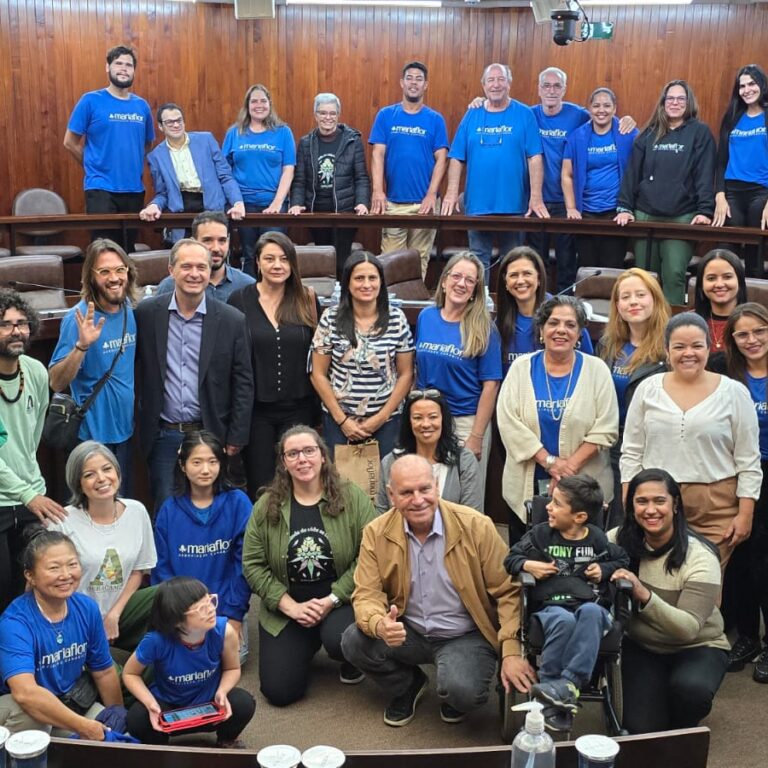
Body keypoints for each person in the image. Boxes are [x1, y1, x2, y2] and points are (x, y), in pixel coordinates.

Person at [341, 454, 535, 727]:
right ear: (391, 494)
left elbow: (508, 591)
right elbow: (366, 594)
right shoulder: (376, 532)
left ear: (436, 485)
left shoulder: (476, 526)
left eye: (424, 489)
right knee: (354, 641)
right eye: (406, 492)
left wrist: (512, 650)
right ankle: (408, 685)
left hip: (464, 634)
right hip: (408, 630)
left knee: (463, 693)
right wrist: (379, 624)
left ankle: (454, 688)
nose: (418, 499)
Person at [242, 426, 376, 706]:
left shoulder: (352, 497)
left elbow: (370, 556)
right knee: (279, 693)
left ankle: (344, 653)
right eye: (292, 453)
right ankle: (307, 643)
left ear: (323, 456)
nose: (302, 459)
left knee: (341, 639)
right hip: (287, 609)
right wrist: (289, 606)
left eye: (308, 451)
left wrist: (332, 598)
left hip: (340, 602)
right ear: (283, 463)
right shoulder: (266, 506)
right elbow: (253, 564)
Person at [620, 312, 762, 571]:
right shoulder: (647, 389)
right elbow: (631, 452)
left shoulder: (734, 392)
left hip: (716, 507)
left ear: (709, 348)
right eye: (679, 346)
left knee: (702, 590)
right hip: (657, 503)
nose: (689, 353)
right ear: (666, 350)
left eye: (697, 345)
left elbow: (748, 459)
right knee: (659, 583)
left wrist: (745, 513)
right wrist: (629, 500)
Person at [134, 238, 254, 510]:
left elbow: (244, 383)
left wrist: (236, 436)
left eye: (202, 267)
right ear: (170, 270)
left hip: (212, 433)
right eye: (186, 266)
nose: (195, 274)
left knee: (213, 509)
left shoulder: (232, 319)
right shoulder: (147, 314)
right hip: (164, 435)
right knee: (166, 510)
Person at [504, 475, 628, 732]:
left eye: (557, 504)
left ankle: (566, 685)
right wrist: (529, 565)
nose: (549, 507)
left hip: (591, 606)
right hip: (551, 608)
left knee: (592, 612)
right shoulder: (540, 535)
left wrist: (604, 569)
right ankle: (552, 687)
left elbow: (622, 559)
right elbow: (511, 559)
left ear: (579, 517)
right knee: (563, 619)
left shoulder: (597, 539)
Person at [609, 469, 729, 733]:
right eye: (641, 502)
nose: (650, 510)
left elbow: (687, 629)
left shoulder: (700, 557)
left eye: (659, 501)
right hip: (642, 646)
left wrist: (644, 594)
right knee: (641, 730)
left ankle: (683, 720)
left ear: (675, 504)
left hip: (698, 645)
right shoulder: (618, 540)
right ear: (631, 506)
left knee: (690, 692)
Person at [497, 296, 618, 543]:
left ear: (580, 333)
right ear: (541, 329)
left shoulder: (597, 370)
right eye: (553, 323)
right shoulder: (521, 368)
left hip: (585, 487)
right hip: (527, 485)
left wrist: (567, 469)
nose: (561, 330)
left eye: (570, 325)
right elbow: (508, 422)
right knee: (529, 560)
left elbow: (606, 428)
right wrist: (550, 462)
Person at [0, 527, 123, 737]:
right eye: (54, 568)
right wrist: (84, 727)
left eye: (72, 565)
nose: (66, 575)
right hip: (22, 710)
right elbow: (25, 694)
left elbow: (103, 670)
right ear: (30, 575)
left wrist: (118, 714)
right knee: (33, 717)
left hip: (70, 701)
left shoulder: (86, 608)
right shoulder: (15, 622)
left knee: (112, 732)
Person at [229, 231, 320, 497]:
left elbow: (319, 352)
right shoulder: (239, 300)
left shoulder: (307, 299)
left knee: (300, 482)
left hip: (300, 409)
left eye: (283, 259)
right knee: (262, 487)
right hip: (257, 413)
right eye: (269, 258)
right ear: (257, 262)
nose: (277, 265)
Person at [48, 442, 156, 654]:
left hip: (121, 611)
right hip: (76, 618)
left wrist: (114, 615)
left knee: (171, 597)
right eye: (89, 474)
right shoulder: (62, 521)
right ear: (78, 483)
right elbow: (49, 585)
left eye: (107, 469)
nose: (101, 478)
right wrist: (95, 624)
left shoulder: (137, 511)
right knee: (110, 675)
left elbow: (138, 570)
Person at [615, 80, 716, 306]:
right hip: (645, 214)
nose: (675, 103)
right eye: (670, 98)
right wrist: (624, 207)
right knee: (644, 278)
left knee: (673, 274)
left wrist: (705, 210)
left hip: (681, 216)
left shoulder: (700, 132)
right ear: (663, 102)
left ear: (689, 102)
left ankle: (671, 333)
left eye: (681, 98)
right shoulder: (648, 134)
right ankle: (645, 332)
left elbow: (705, 172)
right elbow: (632, 174)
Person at [49, 239, 138, 493]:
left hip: (125, 434)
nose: (114, 278)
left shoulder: (131, 311)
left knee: (120, 511)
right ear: (90, 276)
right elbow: (56, 381)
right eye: (105, 271)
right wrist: (82, 346)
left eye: (120, 269)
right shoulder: (77, 318)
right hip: (89, 439)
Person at [441, 63, 546, 279]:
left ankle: (511, 311)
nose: (496, 84)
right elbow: (456, 157)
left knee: (514, 263)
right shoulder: (472, 114)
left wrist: (536, 197)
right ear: (483, 85)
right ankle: (481, 310)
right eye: (491, 80)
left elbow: (535, 157)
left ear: (509, 83)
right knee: (478, 262)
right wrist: (451, 193)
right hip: (478, 205)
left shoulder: (524, 114)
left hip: (514, 205)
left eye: (501, 79)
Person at [123, 577, 255, 747]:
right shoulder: (156, 641)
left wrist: (222, 692)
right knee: (137, 719)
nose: (210, 610)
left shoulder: (224, 632)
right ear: (176, 620)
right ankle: (159, 749)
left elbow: (232, 669)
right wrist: (151, 704)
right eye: (201, 608)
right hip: (169, 708)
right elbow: (130, 673)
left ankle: (227, 740)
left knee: (243, 703)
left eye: (210, 601)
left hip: (210, 705)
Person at [151, 431, 251, 654]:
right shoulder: (169, 510)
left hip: (226, 610)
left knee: (228, 662)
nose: (205, 470)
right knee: (181, 665)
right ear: (183, 465)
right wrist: (182, 616)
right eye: (197, 462)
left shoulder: (238, 503)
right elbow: (161, 570)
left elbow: (245, 565)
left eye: (212, 461)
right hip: (182, 614)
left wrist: (234, 615)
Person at [415, 253, 502, 508]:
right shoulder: (426, 317)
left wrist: (476, 436)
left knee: (465, 502)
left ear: (476, 289)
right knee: (428, 494)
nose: (461, 284)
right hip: (428, 419)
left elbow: (490, 385)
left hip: (465, 422)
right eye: (456, 276)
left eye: (470, 280)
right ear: (444, 281)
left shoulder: (484, 327)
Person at [311, 252, 414, 459]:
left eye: (372, 278)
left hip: (387, 421)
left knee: (385, 486)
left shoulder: (397, 318)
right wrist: (342, 421)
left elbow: (406, 374)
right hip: (339, 422)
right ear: (347, 283)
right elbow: (318, 374)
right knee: (341, 487)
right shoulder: (330, 318)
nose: (366, 284)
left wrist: (380, 417)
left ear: (381, 282)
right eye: (359, 278)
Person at [0, 290, 66, 611]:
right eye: (5, 324)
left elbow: (32, 436)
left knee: (30, 591)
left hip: (30, 498)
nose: (16, 331)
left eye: (22, 323)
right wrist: (27, 493)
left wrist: (30, 489)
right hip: (10, 499)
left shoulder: (35, 371)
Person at [597, 268, 670, 525]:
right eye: (625, 296)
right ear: (617, 304)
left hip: (649, 447)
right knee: (612, 520)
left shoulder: (668, 349)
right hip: (609, 444)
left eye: (641, 294)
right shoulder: (608, 345)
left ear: (655, 299)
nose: (633, 302)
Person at [63, 45, 154, 252]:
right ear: (108, 67)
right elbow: (69, 142)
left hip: (134, 190)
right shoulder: (90, 100)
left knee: (127, 251)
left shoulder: (142, 106)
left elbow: (147, 144)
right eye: (118, 63)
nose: (124, 69)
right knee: (103, 251)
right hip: (100, 189)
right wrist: (92, 166)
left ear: (134, 71)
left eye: (129, 65)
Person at [721, 303, 768, 680]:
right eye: (742, 334)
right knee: (742, 557)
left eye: (759, 331)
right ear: (732, 340)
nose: (751, 340)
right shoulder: (725, 372)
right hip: (736, 474)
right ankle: (748, 636)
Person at [369, 60, 449, 279]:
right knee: (390, 262)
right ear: (402, 83)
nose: (414, 83)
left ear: (426, 85)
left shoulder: (435, 119)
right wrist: (378, 191)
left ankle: (413, 307)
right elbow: (377, 154)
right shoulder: (386, 115)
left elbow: (442, 158)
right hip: (393, 203)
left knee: (419, 259)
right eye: (410, 78)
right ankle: (392, 309)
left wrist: (432, 195)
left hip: (424, 204)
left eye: (419, 79)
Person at [289, 93, 370, 278]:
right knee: (322, 261)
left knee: (342, 262)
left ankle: (342, 301)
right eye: (323, 113)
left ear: (338, 114)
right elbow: (300, 179)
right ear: (315, 115)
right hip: (316, 211)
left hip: (345, 211)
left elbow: (361, 177)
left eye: (332, 113)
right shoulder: (305, 143)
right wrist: (296, 203)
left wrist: (363, 202)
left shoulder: (352, 140)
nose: (328, 117)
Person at [139, 103, 245, 243]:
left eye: (179, 120)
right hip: (181, 212)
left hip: (211, 208)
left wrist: (237, 202)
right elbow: (163, 193)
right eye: (169, 122)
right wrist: (154, 205)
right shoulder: (156, 156)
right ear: (160, 126)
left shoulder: (206, 140)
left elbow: (225, 177)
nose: (176, 125)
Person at [562, 87, 638, 271]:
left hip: (615, 213)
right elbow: (566, 174)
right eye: (596, 105)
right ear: (589, 109)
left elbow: (638, 172)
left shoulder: (628, 134)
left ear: (614, 108)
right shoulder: (576, 137)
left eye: (606, 105)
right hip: (586, 213)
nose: (601, 110)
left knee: (611, 267)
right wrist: (571, 208)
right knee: (586, 268)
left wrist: (627, 208)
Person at [222, 84, 295, 276]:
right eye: (254, 101)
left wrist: (277, 203)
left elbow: (288, 170)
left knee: (274, 255)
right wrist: (235, 202)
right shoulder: (234, 133)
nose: (259, 105)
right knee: (249, 255)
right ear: (247, 105)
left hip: (274, 206)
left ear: (270, 104)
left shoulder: (283, 132)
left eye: (263, 101)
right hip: (243, 207)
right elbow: (224, 171)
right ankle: (249, 301)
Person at [376, 389, 481, 515]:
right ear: (409, 422)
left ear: (443, 419)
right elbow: (381, 515)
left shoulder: (464, 461)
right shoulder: (391, 461)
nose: (426, 424)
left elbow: (473, 516)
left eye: (433, 417)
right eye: (418, 418)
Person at [495, 246, 593, 375]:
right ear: (505, 282)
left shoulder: (565, 315)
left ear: (539, 278)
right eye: (513, 275)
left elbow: (589, 366)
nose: (520, 280)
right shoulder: (500, 322)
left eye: (527, 273)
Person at [713, 64, 768, 277]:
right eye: (742, 86)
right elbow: (720, 161)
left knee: (755, 259)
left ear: (762, 85)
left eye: (752, 83)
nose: (747, 89)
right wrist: (719, 195)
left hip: (761, 193)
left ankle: (752, 307)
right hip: (732, 193)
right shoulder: (733, 117)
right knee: (726, 256)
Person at [155, 211, 255, 303]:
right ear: (193, 242)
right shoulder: (170, 286)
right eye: (208, 240)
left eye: (222, 240)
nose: (216, 248)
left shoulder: (247, 286)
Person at [692, 248, 747, 363]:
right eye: (711, 278)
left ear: (740, 281)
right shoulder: (688, 322)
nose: (719, 284)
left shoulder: (758, 322)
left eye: (727, 277)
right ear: (701, 284)